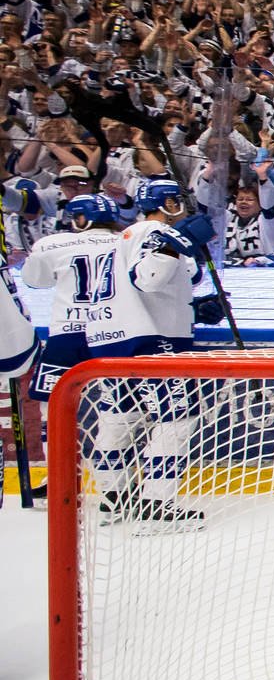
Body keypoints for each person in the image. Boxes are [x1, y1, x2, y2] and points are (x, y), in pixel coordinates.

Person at [82, 179, 227, 529]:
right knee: (177, 417)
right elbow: (147, 278)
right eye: (178, 200)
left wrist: (195, 311)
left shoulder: (125, 235)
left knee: (120, 416)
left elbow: (146, 290)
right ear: (169, 203)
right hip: (152, 344)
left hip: (114, 338)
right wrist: (175, 243)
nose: (184, 207)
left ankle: (113, 497)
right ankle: (157, 503)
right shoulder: (153, 232)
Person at [21, 193, 121, 406]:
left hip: (68, 334)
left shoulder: (53, 244)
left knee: (54, 402)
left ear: (82, 217)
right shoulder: (129, 242)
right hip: (114, 334)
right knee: (117, 406)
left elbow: (35, 281)